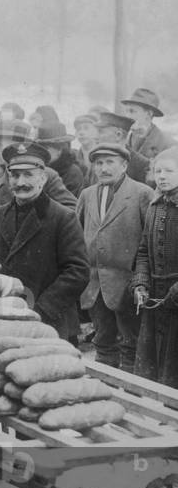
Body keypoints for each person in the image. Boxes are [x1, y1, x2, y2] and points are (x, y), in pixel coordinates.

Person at [0, 143, 90, 342]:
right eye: (15, 175)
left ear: (43, 178)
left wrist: (41, 309)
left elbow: (77, 272)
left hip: (50, 322)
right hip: (6, 318)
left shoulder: (63, 217)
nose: (21, 182)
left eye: (28, 175)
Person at [77, 144, 153, 372]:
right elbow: (77, 233)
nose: (104, 168)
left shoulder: (142, 193)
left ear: (124, 165)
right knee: (103, 340)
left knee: (131, 342)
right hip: (95, 283)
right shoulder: (87, 194)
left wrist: (141, 279)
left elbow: (150, 239)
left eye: (110, 162)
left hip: (128, 283)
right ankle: (104, 389)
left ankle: (132, 392)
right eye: (99, 163)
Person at [133, 146, 178, 388]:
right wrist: (141, 283)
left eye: (169, 170)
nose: (162, 176)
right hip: (155, 298)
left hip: (175, 296)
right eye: (158, 170)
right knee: (153, 364)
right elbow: (143, 251)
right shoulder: (154, 206)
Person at [93, 110, 151, 185]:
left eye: (100, 132)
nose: (95, 137)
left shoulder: (140, 165)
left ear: (118, 135)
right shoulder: (96, 159)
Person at [122, 87, 174, 161]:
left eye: (132, 111)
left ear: (149, 114)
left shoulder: (167, 144)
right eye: (126, 111)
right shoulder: (124, 140)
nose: (127, 116)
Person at [36, 120, 85, 198]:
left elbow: (69, 206)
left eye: (46, 148)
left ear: (59, 149)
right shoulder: (37, 168)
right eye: (40, 148)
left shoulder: (72, 173)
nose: (41, 153)